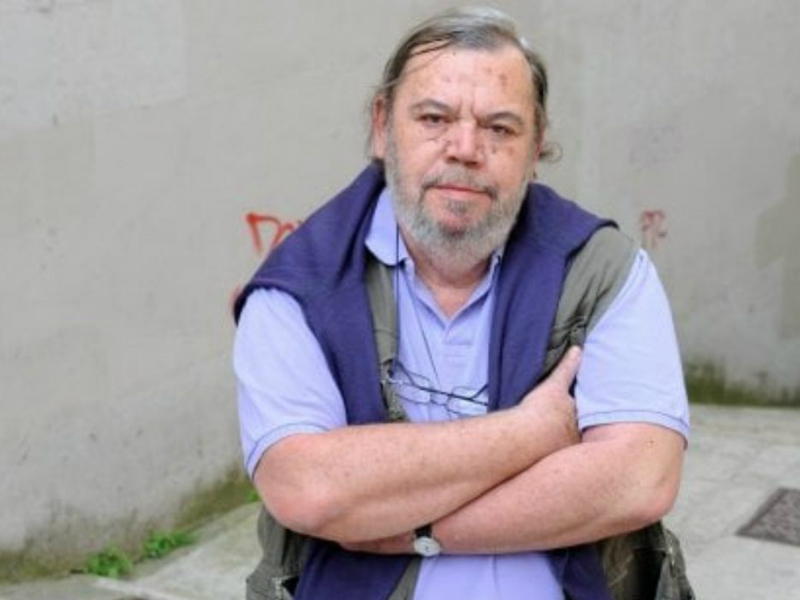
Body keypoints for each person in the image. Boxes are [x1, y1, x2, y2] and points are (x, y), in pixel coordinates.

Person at [233, 7, 689, 600]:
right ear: (382, 126)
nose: (466, 148)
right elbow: (307, 488)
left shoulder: (604, 269)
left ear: (536, 145)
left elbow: (641, 479)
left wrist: (416, 529)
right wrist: (531, 432)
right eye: (434, 118)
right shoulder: (298, 285)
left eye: (500, 128)